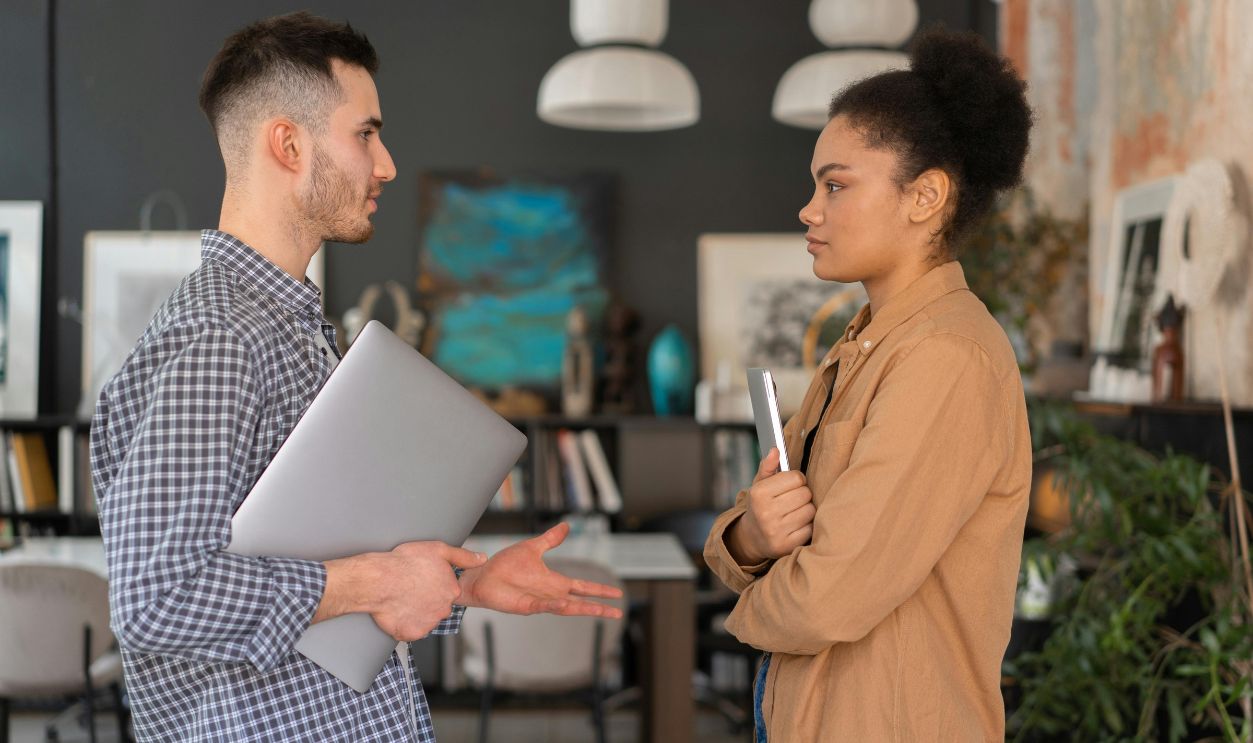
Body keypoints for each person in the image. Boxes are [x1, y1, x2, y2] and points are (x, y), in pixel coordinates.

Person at [90, 12, 621, 742]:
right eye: (365, 133)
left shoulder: (290, 328)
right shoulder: (220, 336)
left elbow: (310, 554)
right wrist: (373, 582)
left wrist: (464, 582)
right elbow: (157, 597)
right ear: (288, 142)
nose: (386, 163)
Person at [703, 29, 1034, 742]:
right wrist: (754, 536)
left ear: (924, 197)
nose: (808, 209)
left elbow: (830, 595)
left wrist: (745, 604)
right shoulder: (863, 341)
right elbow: (755, 523)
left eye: (834, 184)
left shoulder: (946, 357)